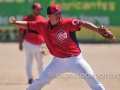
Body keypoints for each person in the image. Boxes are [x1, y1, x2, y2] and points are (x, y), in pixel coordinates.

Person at [9, 4, 115, 90]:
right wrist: (15, 22)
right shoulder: (42, 25)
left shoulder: (67, 23)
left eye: (60, 13)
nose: (59, 15)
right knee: (40, 82)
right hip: (57, 62)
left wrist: (97, 29)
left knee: (93, 81)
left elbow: (83, 23)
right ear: (49, 16)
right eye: (56, 14)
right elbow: (28, 24)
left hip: (76, 60)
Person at [18, 3, 46, 84]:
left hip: (40, 45)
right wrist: (20, 43)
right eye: (37, 9)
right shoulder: (26, 19)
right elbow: (20, 31)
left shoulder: (42, 19)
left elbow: (46, 33)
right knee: (29, 61)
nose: (38, 11)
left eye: (39, 9)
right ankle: (30, 79)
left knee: (41, 62)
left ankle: (42, 79)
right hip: (29, 44)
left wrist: (47, 45)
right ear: (32, 10)